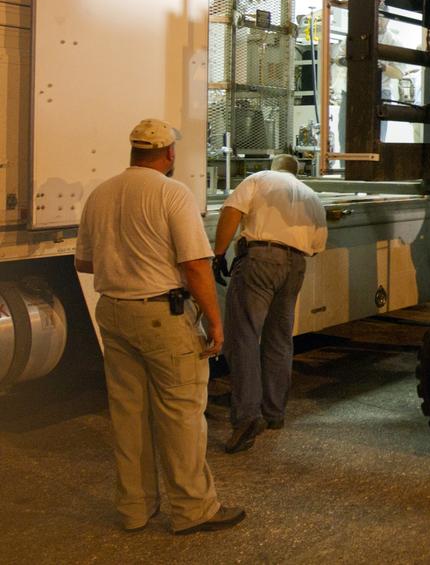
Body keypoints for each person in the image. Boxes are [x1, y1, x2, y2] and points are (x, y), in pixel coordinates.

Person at [74, 119, 244, 534]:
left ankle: (134, 509)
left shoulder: (101, 193)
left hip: (113, 312)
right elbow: (194, 264)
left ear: (133, 150)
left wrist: (125, 263)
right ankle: (192, 510)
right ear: (169, 154)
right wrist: (215, 322)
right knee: (182, 413)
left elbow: (84, 262)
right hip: (160, 315)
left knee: (128, 416)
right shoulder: (172, 193)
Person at [214, 153, 327, 453]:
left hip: (261, 258)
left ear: (274, 167)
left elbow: (231, 211)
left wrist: (218, 253)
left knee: (245, 338)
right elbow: (317, 247)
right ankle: (274, 413)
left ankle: (247, 416)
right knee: (279, 339)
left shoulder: (258, 179)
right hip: (295, 265)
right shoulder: (312, 196)